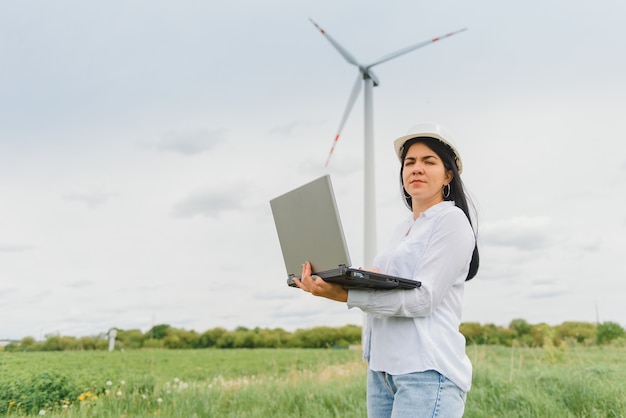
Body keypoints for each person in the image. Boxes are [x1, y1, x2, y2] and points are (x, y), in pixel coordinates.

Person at [292, 123, 479, 417]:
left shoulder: (451, 221)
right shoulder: (402, 228)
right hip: (382, 371)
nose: (416, 168)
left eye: (428, 162)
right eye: (410, 162)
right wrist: (351, 278)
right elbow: (387, 284)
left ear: (448, 175)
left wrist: (347, 296)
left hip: (425, 372)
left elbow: (423, 299)